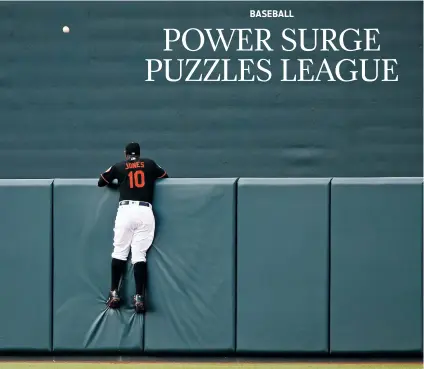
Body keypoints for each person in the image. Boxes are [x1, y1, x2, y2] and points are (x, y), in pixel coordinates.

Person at [97, 142, 168, 313]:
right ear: (140, 153)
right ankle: (139, 297)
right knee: (139, 255)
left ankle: (114, 293)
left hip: (126, 210)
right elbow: (165, 176)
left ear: (125, 154)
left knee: (120, 252)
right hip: (145, 211)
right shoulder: (150, 163)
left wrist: (120, 183)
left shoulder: (119, 166)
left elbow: (101, 182)